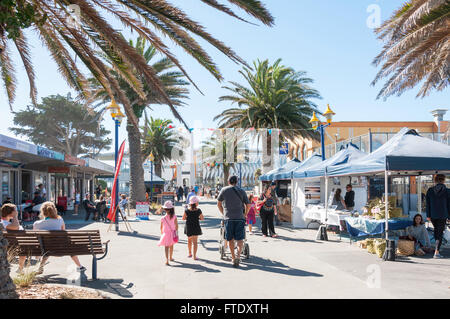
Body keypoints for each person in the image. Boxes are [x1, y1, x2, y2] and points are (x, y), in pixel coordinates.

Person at [33, 202, 86, 273]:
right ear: (54, 210)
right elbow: (64, 233)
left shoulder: (36, 224)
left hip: (44, 249)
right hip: (61, 250)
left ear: (42, 211)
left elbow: (35, 238)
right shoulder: (60, 220)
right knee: (69, 246)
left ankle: (40, 267)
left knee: (47, 245)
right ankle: (80, 266)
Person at [217, 175, 250, 267]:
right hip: (240, 217)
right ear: (237, 182)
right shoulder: (242, 191)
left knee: (230, 238)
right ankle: (238, 255)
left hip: (228, 218)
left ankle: (233, 257)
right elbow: (248, 204)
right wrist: (245, 214)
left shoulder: (224, 190)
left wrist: (223, 213)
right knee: (240, 239)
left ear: (228, 181)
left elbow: (219, 203)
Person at [426, 174, 450, 259]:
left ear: (435, 180)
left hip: (433, 215)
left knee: (437, 231)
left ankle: (437, 249)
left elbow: (427, 204)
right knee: (439, 233)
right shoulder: (447, 191)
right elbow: (449, 205)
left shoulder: (430, 190)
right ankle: (436, 252)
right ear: (443, 180)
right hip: (443, 214)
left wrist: (428, 215)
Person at [1, 204, 26, 273]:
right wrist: (15, 216)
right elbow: (16, 227)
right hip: (14, 246)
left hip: (9, 246)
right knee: (23, 249)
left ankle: (20, 269)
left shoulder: (4, 223)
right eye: (16, 211)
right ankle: (20, 269)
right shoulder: (4, 223)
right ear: (11, 212)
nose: (17, 212)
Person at [158, 201, 178, 266]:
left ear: (165, 209)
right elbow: (176, 225)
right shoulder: (174, 216)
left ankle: (167, 260)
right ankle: (171, 257)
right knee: (171, 245)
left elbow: (161, 227)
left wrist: (162, 233)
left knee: (166, 247)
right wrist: (176, 232)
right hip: (172, 233)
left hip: (165, 234)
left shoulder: (163, 218)